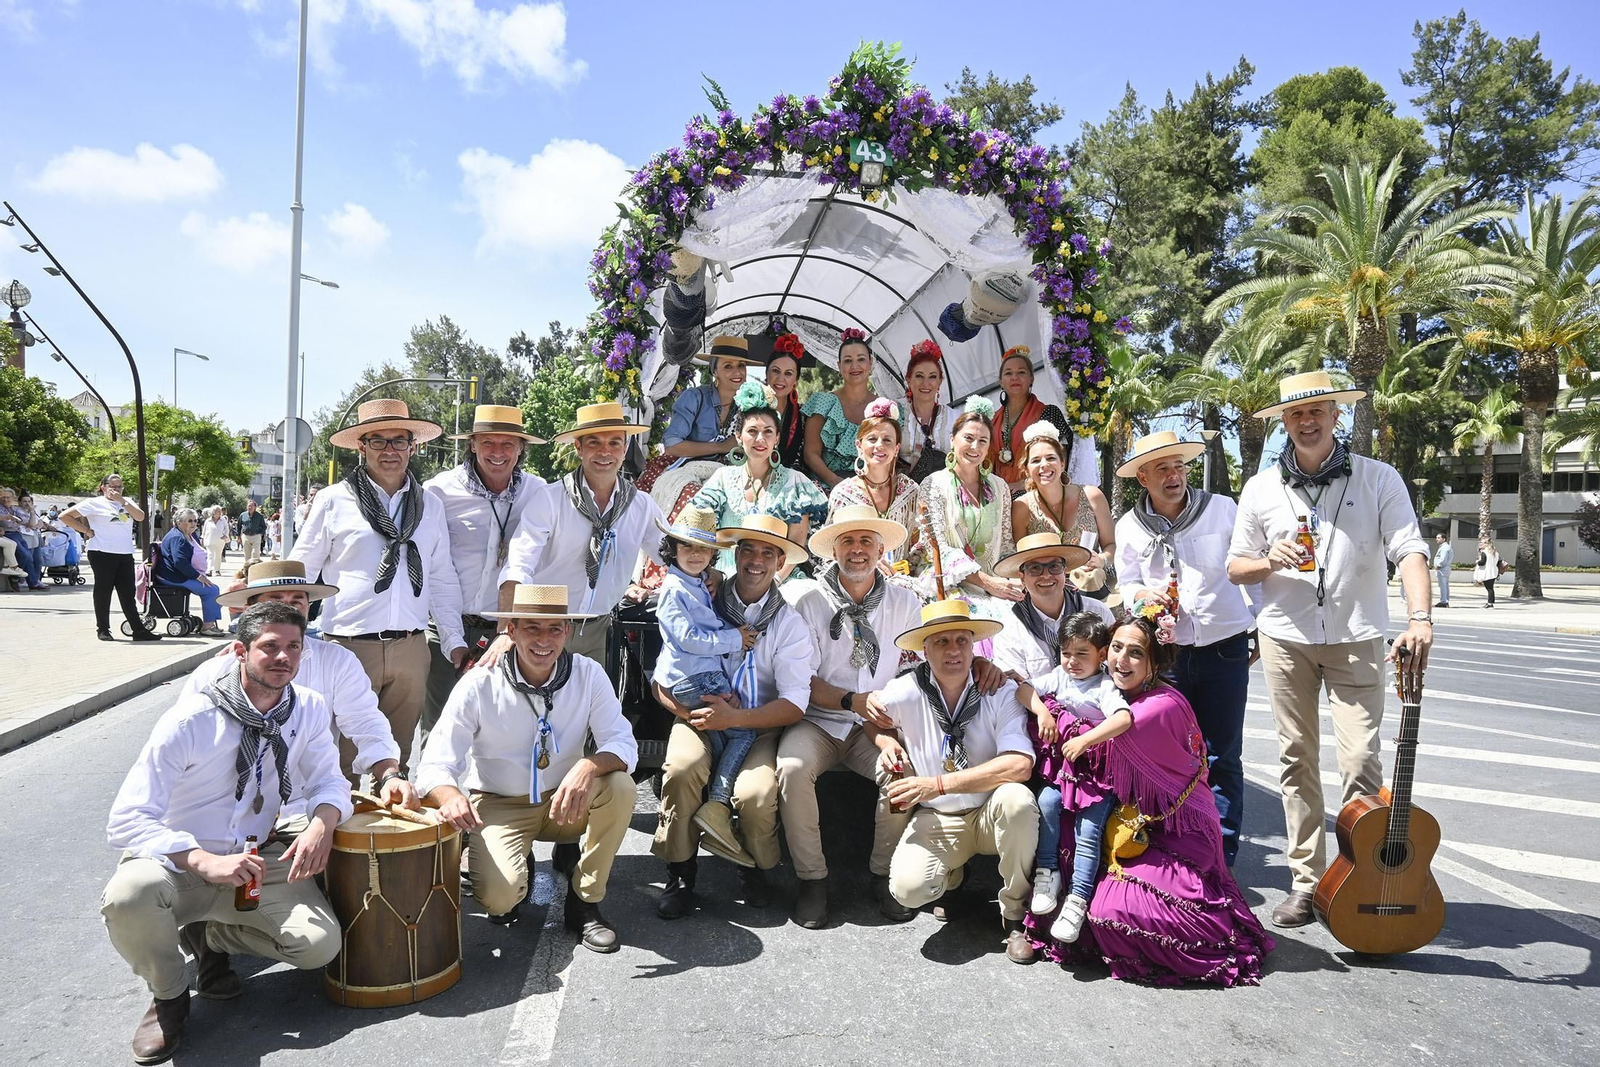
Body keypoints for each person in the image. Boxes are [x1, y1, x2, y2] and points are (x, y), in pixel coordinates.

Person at [100, 602, 353, 1063]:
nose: (284, 657)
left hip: (254, 859)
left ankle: (210, 937)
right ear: (240, 651)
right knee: (129, 896)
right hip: (181, 863)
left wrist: (323, 821)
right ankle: (169, 997)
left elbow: (329, 780)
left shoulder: (308, 708)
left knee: (318, 947)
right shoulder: (191, 719)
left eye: (294, 647)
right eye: (270, 646)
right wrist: (201, 860)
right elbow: (128, 817)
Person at [1227, 371, 1432, 928]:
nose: (1307, 421)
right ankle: (1306, 880)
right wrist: (1268, 560)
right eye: (1296, 413)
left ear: (1336, 415)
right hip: (1284, 637)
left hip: (1358, 635)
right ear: (1284, 423)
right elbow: (1236, 566)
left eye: (1317, 410)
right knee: (1296, 758)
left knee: (1361, 760)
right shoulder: (1261, 488)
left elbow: (1409, 549)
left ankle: (1358, 875)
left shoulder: (1378, 478)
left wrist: (1420, 618)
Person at [1025, 612, 1275, 985]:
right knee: (1064, 831)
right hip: (1129, 820)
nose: (1122, 660)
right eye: (1117, 648)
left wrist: (1051, 711)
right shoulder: (1110, 690)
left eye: (1136, 653)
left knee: (1114, 912)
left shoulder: (1156, 707)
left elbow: (1080, 738)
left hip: (1173, 835)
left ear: (1154, 663)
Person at [416, 584, 638, 952]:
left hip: (565, 801)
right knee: (499, 899)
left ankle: (584, 902)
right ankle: (519, 863)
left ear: (567, 632)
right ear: (512, 630)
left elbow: (623, 743)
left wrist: (588, 765)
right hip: (500, 804)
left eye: (554, 629)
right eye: (532, 628)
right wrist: (450, 795)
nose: (544, 640)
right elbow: (435, 762)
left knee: (620, 787)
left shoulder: (589, 674)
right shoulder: (479, 683)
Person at [653, 514, 817, 918]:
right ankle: (680, 872)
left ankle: (753, 867)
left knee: (756, 794)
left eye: (767, 553)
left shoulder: (789, 623)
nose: (756, 561)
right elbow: (662, 677)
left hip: (756, 725)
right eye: (748, 550)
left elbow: (794, 704)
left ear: (781, 562)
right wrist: (689, 713)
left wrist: (733, 720)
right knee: (682, 770)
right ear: (734, 555)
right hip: (698, 713)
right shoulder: (701, 595)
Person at [291, 399, 465, 776]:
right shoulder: (333, 500)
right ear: (362, 446)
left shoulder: (430, 505)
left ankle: (387, 815)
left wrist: (454, 640)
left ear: (412, 447)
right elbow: (301, 572)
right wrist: (282, 631)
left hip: (411, 649)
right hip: (348, 648)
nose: (390, 450)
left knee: (395, 764)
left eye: (399, 441)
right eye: (378, 441)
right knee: (340, 765)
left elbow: (441, 578)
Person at [1115, 430, 1259, 866]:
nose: (1174, 475)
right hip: (1167, 656)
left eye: (1178, 466)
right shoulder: (1129, 526)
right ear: (1143, 478)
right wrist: (1143, 597)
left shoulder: (1222, 509)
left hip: (1224, 647)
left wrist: (1259, 628)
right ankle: (1173, 854)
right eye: (1162, 468)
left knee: (1222, 755)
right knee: (1167, 753)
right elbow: (1127, 583)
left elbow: (1251, 566)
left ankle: (1221, 858)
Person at [872, 598, 1038, 963]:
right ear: (925, 650)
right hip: (938, 817)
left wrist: (938, 784)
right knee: (908, 890)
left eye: (962, 641)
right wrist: (886, 742)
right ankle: (953, 879)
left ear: (973, 646)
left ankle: (1015, 916)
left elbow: (1020, 765)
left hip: (990, 811)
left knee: (1018, 801)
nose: (953, 650)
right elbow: (871, 718)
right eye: (942, 642)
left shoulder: (999, 690)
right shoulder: (905, 690)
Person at [778, 505, 921, 928]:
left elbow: (917, 671)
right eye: (848, 541)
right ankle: (812, 880)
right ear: (834, 550)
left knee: (902, 771)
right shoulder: (806, 602)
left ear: (880, 551)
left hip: (875, 723)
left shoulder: (904, 601)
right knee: (791, 768)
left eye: (865, 542)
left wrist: (885, 728)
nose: (857, 550)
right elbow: (800, 680)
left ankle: (883, 874)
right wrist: (851, 701)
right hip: (817, 719)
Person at [190, 560, 415, 815]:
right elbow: (186, 751)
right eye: (276, 601)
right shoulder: (214, 673)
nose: (288, 610)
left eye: (297, 602)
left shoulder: (336, 661)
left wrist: (390, 775)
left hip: (306, 807)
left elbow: (365, 722)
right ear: (250, 609)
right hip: (225, 810)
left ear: (308, 608)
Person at [497, 401, 665, 663]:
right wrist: (506, 628)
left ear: (625, 448)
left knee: (594, 691)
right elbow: (518, 566)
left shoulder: (641, 505)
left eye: (614, 443)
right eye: (594, 442)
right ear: (579, 448)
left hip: (600, 629)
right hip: (545, 628)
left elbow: (671, 554)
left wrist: (708, 574)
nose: (604, 452)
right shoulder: (550, 499)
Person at [422, 404, 547, 743]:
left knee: (502, 735)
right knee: (439, 733)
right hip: (447, 628)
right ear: (473, 444)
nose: (497, 452)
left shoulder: (539, 493)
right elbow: (433, 569)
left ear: (521, 449)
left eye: (507, 444)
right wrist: (452, 640)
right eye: (488, 442)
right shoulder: (438, 492)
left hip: (508, 633)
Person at [1015, 611, 1129, 942]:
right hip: (1063, 773)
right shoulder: (1059, 676)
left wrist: (1085, 740)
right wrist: (1042, 711)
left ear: (1102, 654)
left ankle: (1078, 899)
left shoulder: (1105, 686)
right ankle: (1047, 873)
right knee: (1047, 804)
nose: (1072, 661)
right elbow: (1024, 689)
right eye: (1066, 653)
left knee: (1089, 832)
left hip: (1096, 776)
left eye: (1082, 653)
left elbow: (1123, 718)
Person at [650, 505, 758, 854]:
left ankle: (716, 810)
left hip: (697, 676)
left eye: (703, 549)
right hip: (697, 679)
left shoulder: (695, 582)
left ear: (712, 555)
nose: (695, 554)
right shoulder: (674, 589)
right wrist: (735, 638)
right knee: (743, 733)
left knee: (725, 738)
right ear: (673, 549)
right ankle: (719, 803)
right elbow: (688, 640)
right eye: (687, 546)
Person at [689, 381, 828, 577]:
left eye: (768, 432)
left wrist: (773, 584)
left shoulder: (795, 482)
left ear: (777, 438)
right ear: (738, 436)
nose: (760, 439)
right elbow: (698, 530)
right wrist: (713, 575)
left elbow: (796, 545)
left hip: (778, 579)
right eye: (752, 431)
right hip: (724, 576)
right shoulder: (722, 478)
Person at [917, 396, 1020, 620]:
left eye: (983, 441)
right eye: (968, 438)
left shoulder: (1000, 487)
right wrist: (988, 583)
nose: (975, 447)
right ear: (952, 439)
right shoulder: (933, 484)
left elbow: (1006, 545)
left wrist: (1012, 582)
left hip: (996, 586)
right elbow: (936, 550)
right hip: (948, 584)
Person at [990, 532, 1115, 680]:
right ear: (1022, 578)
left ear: (1065, 571)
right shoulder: (1010, 630)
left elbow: (1115, 665)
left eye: (1054, 566)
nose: (1046, 575)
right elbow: (1014, 685)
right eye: (1035, 568)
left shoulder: (1098, 612)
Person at [1010, 422, 1115, 586]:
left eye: (1051, 458)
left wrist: (1102, 559)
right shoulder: (1021, 507)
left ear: (1063, 463)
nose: (1044, 465)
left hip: (1090, 587)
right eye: (1036, 460)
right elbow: (1021, 559)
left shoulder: (1092, 496)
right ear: (1026, 470)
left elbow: (1111, 545)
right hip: (1044, 588)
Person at [59, 474, 161, 642]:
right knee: (103, 591)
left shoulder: (127, 501)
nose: (116, 490)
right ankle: (103, 629)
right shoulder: (93, 503)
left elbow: (140, 517)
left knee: (127, 592)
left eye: (119, 487)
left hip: (124, 553)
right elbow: (65, 516)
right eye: (113, 487)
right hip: (101, 552)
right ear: (103, 487)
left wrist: (122, 501)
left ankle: (138, 630)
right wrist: (86, 530)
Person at [827, 397, 922, 572]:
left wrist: (904, 570)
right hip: (856, 578)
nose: (879, 446)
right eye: (872, 439)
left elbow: (920, 544)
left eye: (887, 440)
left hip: (902, 579)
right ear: (859, 445)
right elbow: (830, 551)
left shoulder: (910, 491)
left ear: (896, 449)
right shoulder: (843, 494)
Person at [661, 335, 761, 462]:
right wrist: (721, 447)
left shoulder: (749, 404)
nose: (737, 372)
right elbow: (672, 446)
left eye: (741, 365)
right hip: (691, 469)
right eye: (728, 366)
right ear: (715, 371)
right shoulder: (695, 398)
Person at [803, 328, 880, 488]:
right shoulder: (823, 403)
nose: (855, 366)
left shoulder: (882, 408)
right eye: (847, 360)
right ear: (839, 365)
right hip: (827, 486)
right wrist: (837, 483)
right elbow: (811, 454)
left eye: (861, 359)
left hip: (871, 487)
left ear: (870, 363)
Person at [991, 346, 1071, 494]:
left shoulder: (1049, 413)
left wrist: (1025, 483)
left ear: (1031, 379)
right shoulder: (991, 421)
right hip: (999, 495)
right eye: (1008, 373)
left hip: (1036, 492)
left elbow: (1061, 455)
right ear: (1001, 381)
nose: (1015, 377)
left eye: (1021, 372)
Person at [155, 509, 225, 636]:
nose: (194, 523)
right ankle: (208, 626)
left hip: (183, 575)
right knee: (210, 591)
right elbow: (179, 562)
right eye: (190, 521)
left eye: (195, 520)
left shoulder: (190, 535)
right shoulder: (177, 537)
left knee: (214, 589)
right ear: (179, 522)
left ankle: (211, 622)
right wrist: (198, 576)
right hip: (174, 577)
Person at [898, 339, 956, 483]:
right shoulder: (898, 416)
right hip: (904, 490)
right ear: (908, 380)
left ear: (940, 382)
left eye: (932, 377)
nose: (926, 383)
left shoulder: (954, 418)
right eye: (919, 376)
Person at [763, 333, 810, 470]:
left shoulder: (803, 416)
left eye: (788, 373)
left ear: (796, 380)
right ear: (766, 374)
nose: (780, 378)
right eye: (775, 371)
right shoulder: (749, 408)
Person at [0, 485, 44, 590]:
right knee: (24, 555)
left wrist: (32, 512)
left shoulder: (13, 509)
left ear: (12, 498)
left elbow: (29, 522)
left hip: (17, 533)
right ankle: (14, 576)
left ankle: (32, 583)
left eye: (8, 497)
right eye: (3, 497)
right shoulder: (1, 508)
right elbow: (7, 523)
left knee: (30, 558)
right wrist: (14, 521)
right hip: (8, 534)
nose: (5, 499)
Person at [1473, 539, 1501, 608]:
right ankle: (1490, 602)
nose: (1480, 544)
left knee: (1489, 588)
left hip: (1486, 572)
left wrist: (1477, 562)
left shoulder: (1484, 552)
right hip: (1493, 572)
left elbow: (1482, 562)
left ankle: (1490, 603)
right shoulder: (1495, 553)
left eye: (1482, 543)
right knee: (1491, 588)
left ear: (1486, 544)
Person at [201, 507, 228, 576]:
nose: (217, 512)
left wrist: (225, 535)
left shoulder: (223, 520)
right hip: (209, 539)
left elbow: (226, 529)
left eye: (219, 511)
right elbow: (204, 531)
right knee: (210, 555)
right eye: (215, 511)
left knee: (218, 555)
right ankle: (209, 570)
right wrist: (203, 539)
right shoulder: (208, 521)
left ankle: (217, 570)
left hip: (220, 540)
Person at [238, 501, 266, 565]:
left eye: (251, 506)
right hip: (246, 536)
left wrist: (260, 534)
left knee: (255, 553)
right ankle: (248, 567)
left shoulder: (259, 516)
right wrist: (238, 536)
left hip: (256, 535)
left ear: (255, 507)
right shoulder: (243, 515)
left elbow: (264, 526)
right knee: (247, 554)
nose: (250, 507)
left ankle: (255, 567)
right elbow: (239, 526)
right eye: (248, 506)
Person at [1432, 533, 1454, 607]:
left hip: (1442, 569)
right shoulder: (1446, 547)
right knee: (1445, 585)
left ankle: (1444, 601)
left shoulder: (1444, 548)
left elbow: (1443, 558)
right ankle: (1445, 600)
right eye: (1436, 538)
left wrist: (1438, 565)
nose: (1437, 539)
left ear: (1444, 539)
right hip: (1445, 568)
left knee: (1443, 585)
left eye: (1439, 538)